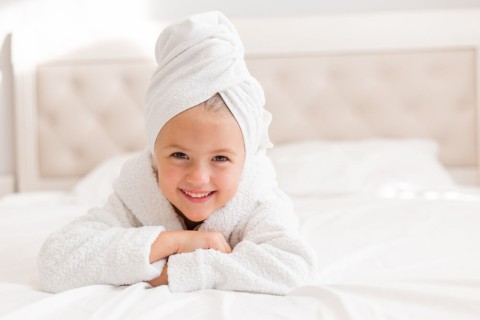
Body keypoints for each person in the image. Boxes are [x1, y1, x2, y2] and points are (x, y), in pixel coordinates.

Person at [38, 11, 316, 295]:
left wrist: (169, 270)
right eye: (179, 155)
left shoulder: (257, 200)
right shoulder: (137, 195)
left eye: (220, 158)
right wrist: (176, 242)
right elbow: (57, 261)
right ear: (154, 151)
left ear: (245, 159)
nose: (198, 177)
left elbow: (292, 269)